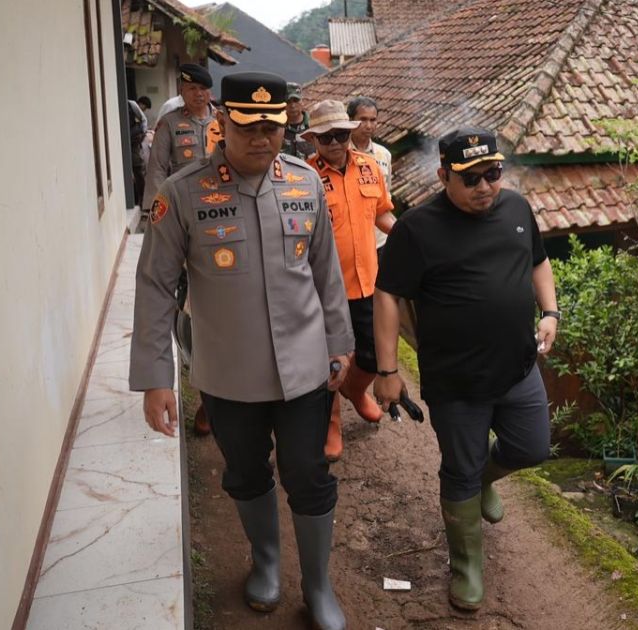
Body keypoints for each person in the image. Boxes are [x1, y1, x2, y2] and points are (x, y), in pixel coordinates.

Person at [130, 71, 352, 630]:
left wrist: (340, 345)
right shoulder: (181, 193)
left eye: (273, 126)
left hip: (303, 370)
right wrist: (157, 375)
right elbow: (156, 285)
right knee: (246, 472)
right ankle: (266, 562)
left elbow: (327, 276)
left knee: (309, 473)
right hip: (228, 374)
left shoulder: (305, 184)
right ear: (223, 121)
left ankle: (319, 585)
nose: (262, 137)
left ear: (285, 125)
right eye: (249, 125)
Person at [372, 126, 559, 611]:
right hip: (456, 383)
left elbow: (539, 261)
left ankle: (485, 480)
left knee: (532, 447)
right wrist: (388, 370)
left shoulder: (517, 208)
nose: (484, 187)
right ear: (443, 176)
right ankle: (466, 568)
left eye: (492, 174)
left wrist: (551, 312)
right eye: (470, 178)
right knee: (459, 468)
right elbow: (388, 295)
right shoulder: (417, 229)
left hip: (518, 369)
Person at [303, 100, 396, 462]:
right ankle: (332, 422)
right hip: (325, 289)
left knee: (372, 357)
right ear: (314, 141)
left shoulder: (371, 168)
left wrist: (410, 237)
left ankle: (356, 392)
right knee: (329, 360)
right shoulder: (305, 177)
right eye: (326, 138)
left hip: (367, 283)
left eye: (341, 135)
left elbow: (383, 214)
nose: (336, 144)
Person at [142, 64, 223, 209]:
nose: (198, 93)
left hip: (221, 197)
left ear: (210, 92)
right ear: (182, 91)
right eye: (192, 88)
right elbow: (157, 167)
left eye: (203, 88)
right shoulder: (169, 123)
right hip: (184, 200)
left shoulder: (224, 121)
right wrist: (155, 206)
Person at [347, 96, 393, 256]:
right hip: (351, 242)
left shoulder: (384, 155)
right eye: (363, 119)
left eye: (373, 120)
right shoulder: (339, 153)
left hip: (380, 241)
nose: (368, 126)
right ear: (350, 120)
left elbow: (386, 196)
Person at [282, 82, 314, 161]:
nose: (292, 105)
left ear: (302, 101)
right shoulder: (277, 129)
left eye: (296, 100)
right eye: (288, 102)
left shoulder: (314, 126)